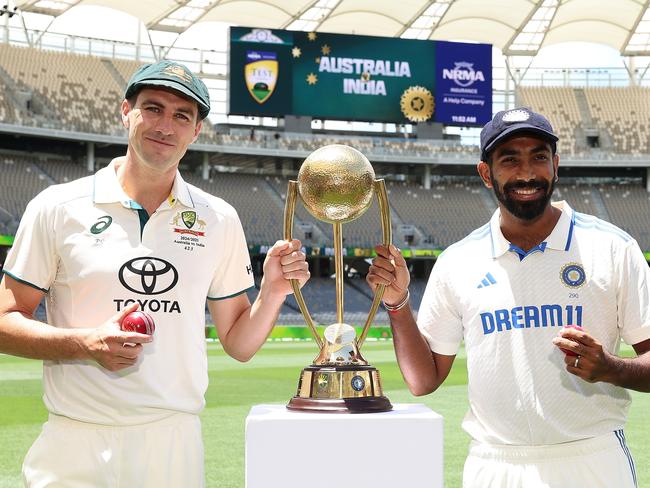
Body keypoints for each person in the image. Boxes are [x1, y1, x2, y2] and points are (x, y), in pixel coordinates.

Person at [0, 60, 309, 487]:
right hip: (74, 439)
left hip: (172, 443)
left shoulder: (218, 218)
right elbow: (4, 322)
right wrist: (85, 343)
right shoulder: (57, 207)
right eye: (153, 108)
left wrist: (273, 291)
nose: (166, 125)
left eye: (182, 115)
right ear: (125, 111)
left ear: (196, 130)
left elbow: (238, 343)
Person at [367, 107, 650, 487]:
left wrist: (611, 367)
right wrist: (398, 304)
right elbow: (424, 380)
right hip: (495, 464)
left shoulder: (612, 247)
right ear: (486, 173)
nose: (527, 172)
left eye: (539, 156)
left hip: (592, 459)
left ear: (556, 165)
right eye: (510, 159)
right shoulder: (458, 261)